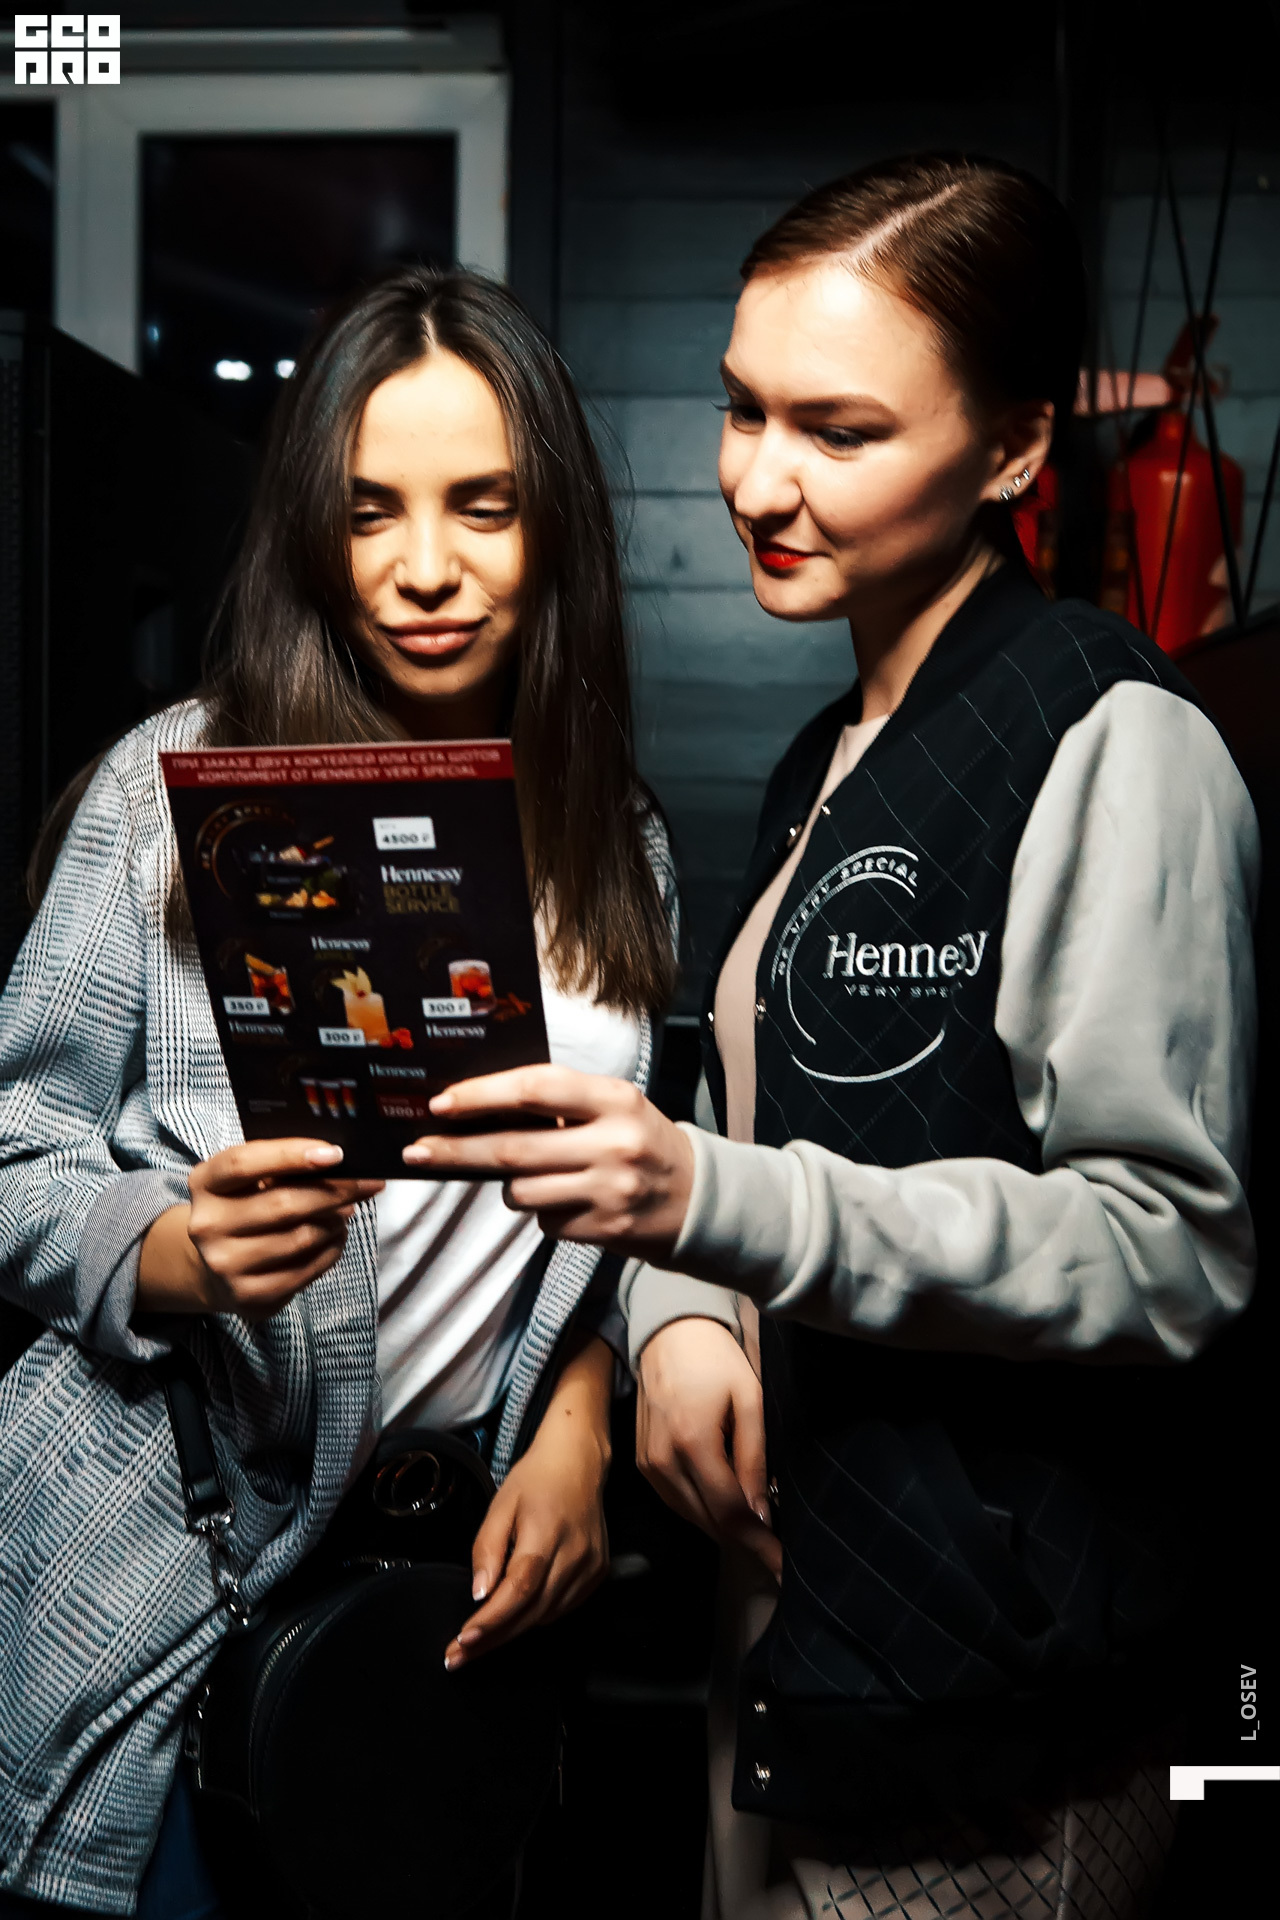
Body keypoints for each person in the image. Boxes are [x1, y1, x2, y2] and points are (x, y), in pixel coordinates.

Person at [408, 156, 1258, 1920]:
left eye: (838, 430)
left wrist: (714, 1209)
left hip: (996, 1688)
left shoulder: (1117, 737)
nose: (757, 481)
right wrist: (676, 1315)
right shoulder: (829, 758)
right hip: (804, 1628)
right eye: (743, 409)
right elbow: (740, 1113)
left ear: (1014, 447)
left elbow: (1169, 1248)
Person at [0, 267, 677, 1916]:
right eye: (372, 511)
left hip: (448, 1605)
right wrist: (170, 1251)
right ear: (316, 530)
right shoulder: (172, 794)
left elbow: (626, 1198)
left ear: (555, 527)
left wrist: (581, 1411)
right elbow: (10, 1149)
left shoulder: (619, 838)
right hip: (158, 1570)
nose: (425, 567)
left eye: (483, 506)